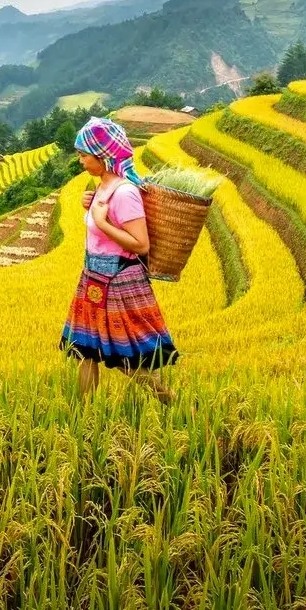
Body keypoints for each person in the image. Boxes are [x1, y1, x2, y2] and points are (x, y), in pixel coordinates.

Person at [59, 117, 178, 403]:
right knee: (85, 350)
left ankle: (173, 401)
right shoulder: (102, 187)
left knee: (127, 360)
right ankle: (82, 414)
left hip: (118, 282)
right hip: (93, 279)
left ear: (103, 156)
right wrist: (91, 208)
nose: (80, 161)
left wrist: (101, 222)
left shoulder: (125, 193)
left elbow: (140, 244)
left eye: (84, 155)